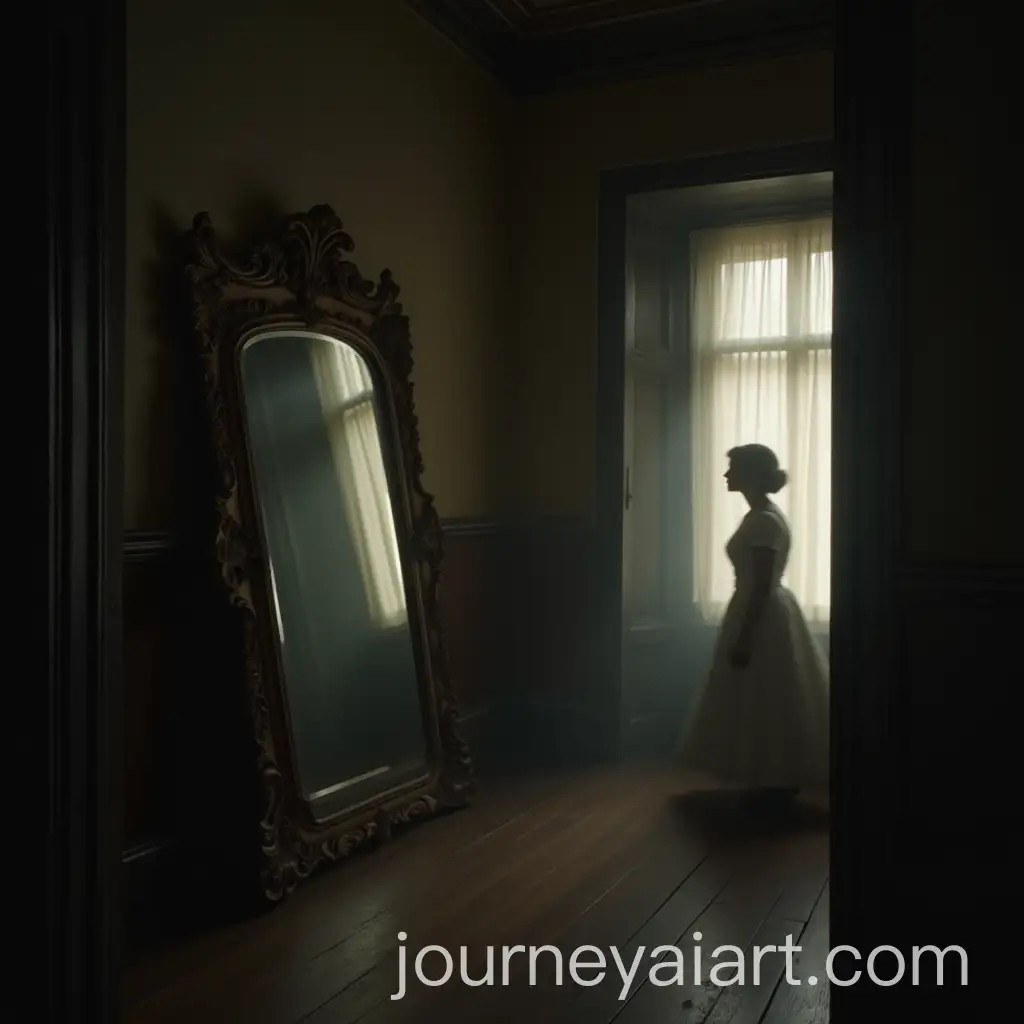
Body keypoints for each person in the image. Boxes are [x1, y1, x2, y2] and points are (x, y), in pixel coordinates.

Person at [678, 443, 829, 811]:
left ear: (750, 474)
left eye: (733, 468)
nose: (726, 475)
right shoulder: (761, 516)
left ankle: (776, 775)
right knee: (761, 692)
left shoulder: (764, 520)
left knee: (766, 690)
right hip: (754, 605)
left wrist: (746, 636)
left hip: (760, 610)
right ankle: (768, 775)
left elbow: (762, 583)